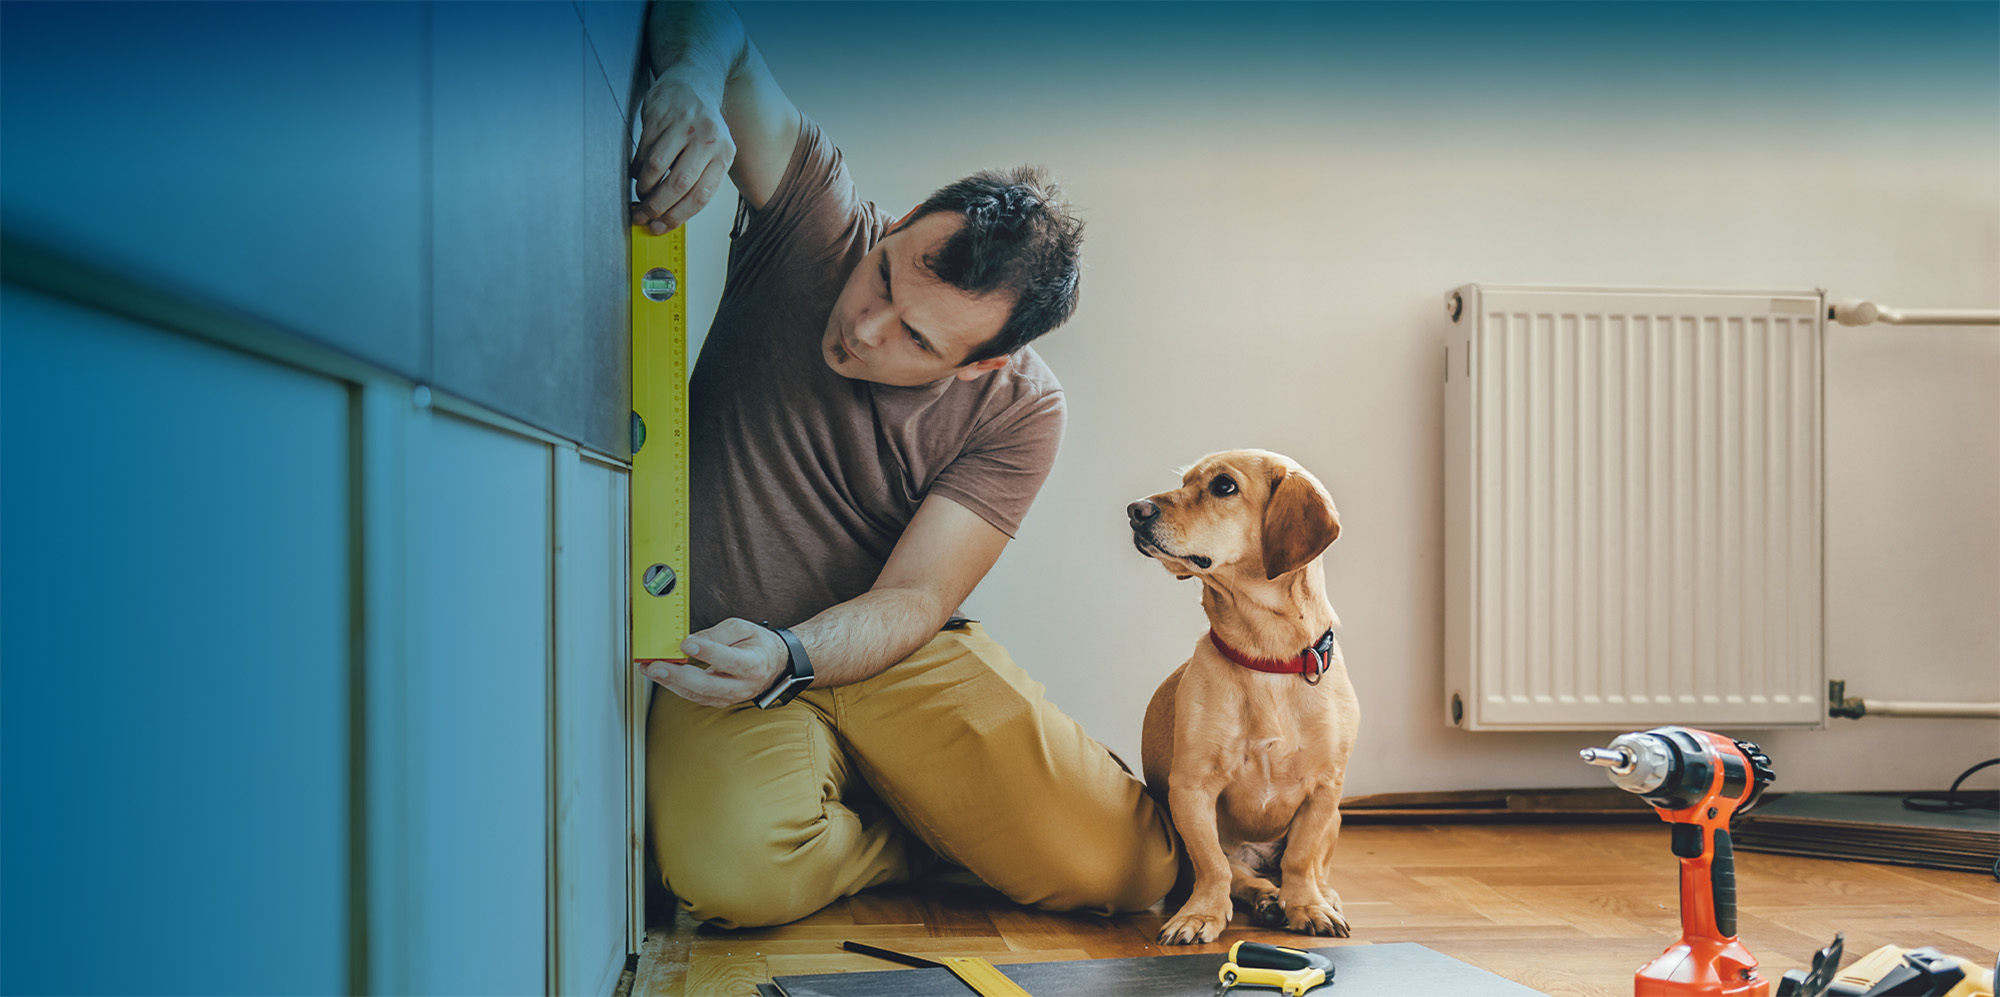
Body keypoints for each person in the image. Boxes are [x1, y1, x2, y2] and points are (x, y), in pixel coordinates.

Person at [628, 0, 1180, 929]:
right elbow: (710, 21)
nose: (864, 327)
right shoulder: (816, 221)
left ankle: (938, 812)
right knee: (732, 881)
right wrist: (687, 81)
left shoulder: (1023, 408)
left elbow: (918, 599)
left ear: (985, 360)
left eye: (916, 337)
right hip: (725, 649)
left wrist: (796, 652)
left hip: (886, 649)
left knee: (1131, 869)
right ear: (907, 220)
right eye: (887, 274)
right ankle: (919, 833)